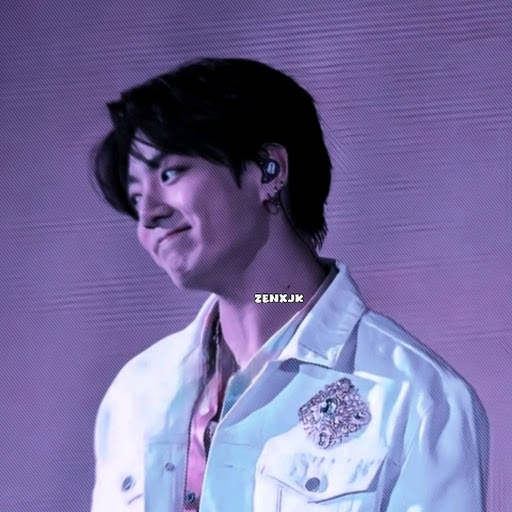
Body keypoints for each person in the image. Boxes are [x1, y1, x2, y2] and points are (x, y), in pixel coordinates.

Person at [90, 57, 489, 512]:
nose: (148, 215)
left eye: (170, 173)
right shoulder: (136, 393)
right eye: (135, 196)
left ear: (268, 170)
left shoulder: (418, 399)